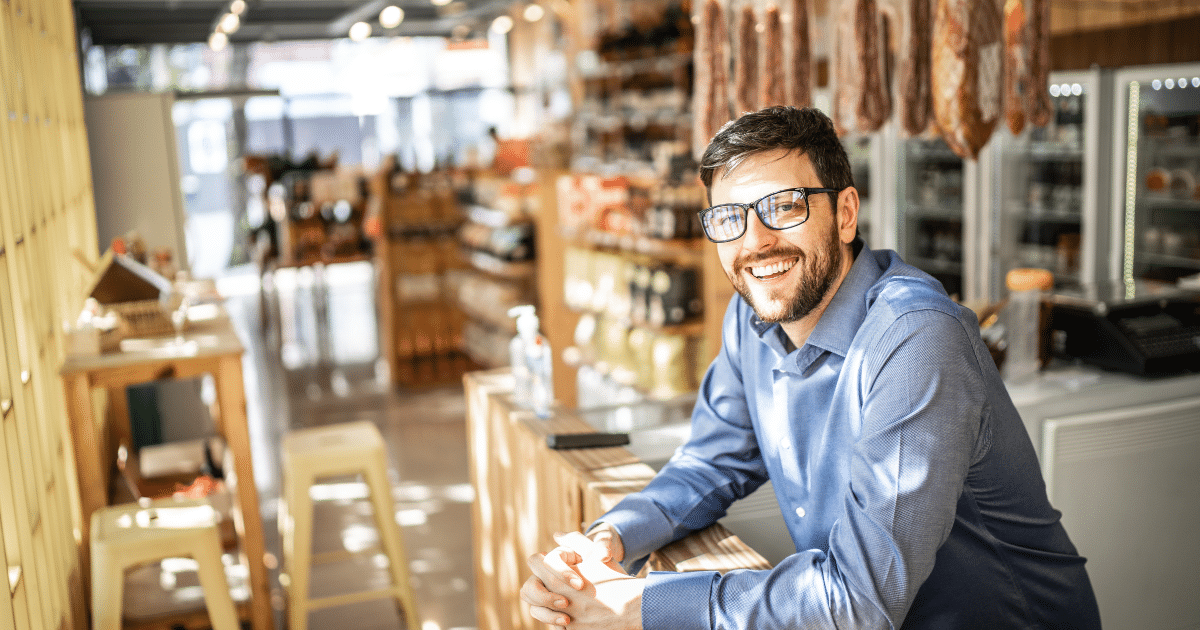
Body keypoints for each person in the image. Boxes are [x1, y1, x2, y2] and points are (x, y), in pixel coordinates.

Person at [520, 106, 1101, 630]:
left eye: (783, 207)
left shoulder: (916, 338)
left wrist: (642, 606)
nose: (757, 241)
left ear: (845, 213)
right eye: (729, 218)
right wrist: (609, 541)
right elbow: (708, 463)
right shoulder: (750, 320)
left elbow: (857, 599)